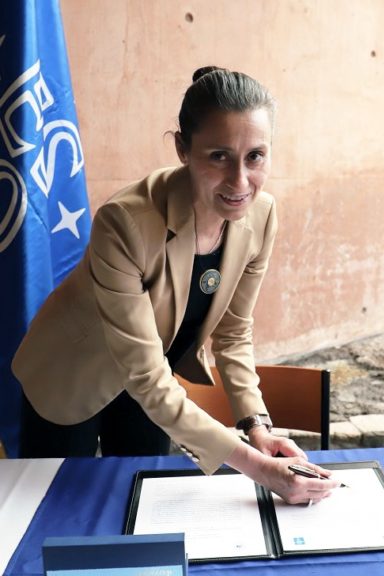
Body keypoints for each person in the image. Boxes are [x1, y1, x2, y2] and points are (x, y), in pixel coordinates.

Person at [12, 66, 339, 503]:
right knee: (58, 512)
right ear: (183, 148)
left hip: (153, 380)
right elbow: (144, 373)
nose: (240, 182)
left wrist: (255, 426)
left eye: (256, 156)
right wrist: (259, 469)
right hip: (71, 374)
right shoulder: (125, 222)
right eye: (218, 156)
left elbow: (233, 331)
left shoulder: (262, 216)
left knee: (140, 501)